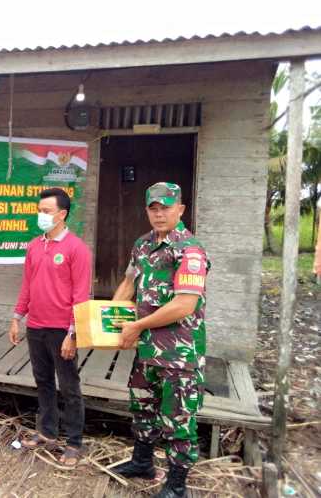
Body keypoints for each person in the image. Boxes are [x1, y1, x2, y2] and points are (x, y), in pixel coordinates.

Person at [111, 182, 210, 498]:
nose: (159, 213)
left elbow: (185, 304)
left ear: (180, 209)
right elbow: (128, 284)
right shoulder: (142, 245)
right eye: (153, 208)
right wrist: (111, 322)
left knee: (178, 417)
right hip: (147, 349)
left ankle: (177, 485)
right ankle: (142, 462)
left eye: (165, 207)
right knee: (142, 405)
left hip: (179, 353)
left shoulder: (190, 250)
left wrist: (137, 325)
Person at [8, 187, 92, 468]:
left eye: (46, 211)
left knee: (69, 386)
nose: (41, 215)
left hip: (61, 330)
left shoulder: (76, 249)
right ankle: (47, 432)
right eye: (39, 210)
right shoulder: (34, 245)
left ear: (62, 214)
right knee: (43, 381)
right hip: (36, 326)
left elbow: (81, 296)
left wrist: (73, 333)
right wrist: (17, 317)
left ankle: (74, 442)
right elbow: (27, 286)